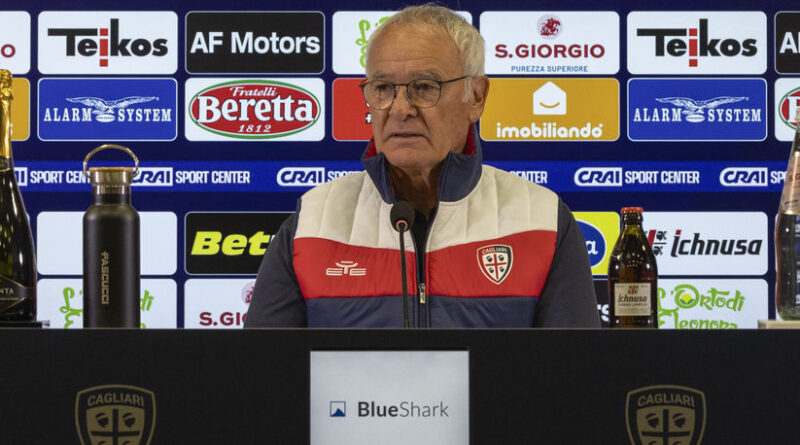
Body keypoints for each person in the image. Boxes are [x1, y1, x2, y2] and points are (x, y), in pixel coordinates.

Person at [244, 5, 600, 328]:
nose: (400, 109)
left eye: (424, 87)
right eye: (383, 88)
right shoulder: (312, 222)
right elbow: (265, 379)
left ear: (476, 97)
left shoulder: (543, 220)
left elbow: (572, 380)